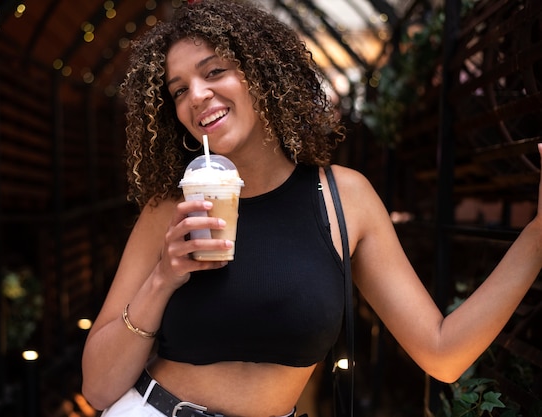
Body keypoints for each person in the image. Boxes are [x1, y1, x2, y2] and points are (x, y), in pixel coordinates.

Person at [81, 1, 542, 416]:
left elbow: (443, 354)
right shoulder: (169, 209)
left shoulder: (345, 199)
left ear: (262, 74)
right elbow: (98, 389)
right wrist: (162, 278)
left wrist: (539, 233)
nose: (196, 95)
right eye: (178, 90)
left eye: (215, 71)